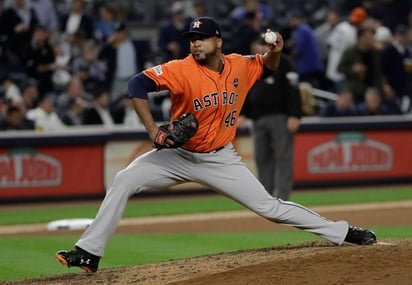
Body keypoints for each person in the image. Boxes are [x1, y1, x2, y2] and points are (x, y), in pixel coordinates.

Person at [55, 16, 377, 274]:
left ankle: (343, 232)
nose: (195, 44)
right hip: (177, 155)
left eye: (202, 38)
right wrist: (153, 129)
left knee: (270, 208)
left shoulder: (240, 64)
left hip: (220, 159)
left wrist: (276, 51)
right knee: (124, 180)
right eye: (192, 39)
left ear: (218, 42)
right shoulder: (180, 69)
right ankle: (89, 253)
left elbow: (267, 64)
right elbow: (136, 83)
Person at [239, 38, 301, 200]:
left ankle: (282, 198)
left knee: (283, 157)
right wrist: (243, 113)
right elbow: (244, 89)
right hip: (258, 119)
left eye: (262, 44)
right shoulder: (253, 64)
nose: (258, 47)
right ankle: (265, 198)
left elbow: (293, 90)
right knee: (261, 158)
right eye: (257, 44)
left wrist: (294, 114)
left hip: (279, 117)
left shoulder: (284, 62)